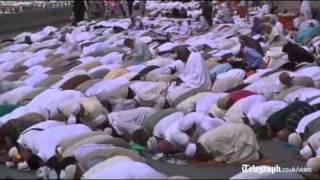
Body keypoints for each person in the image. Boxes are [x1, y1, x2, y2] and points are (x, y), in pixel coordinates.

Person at [185, 123, 260, 163]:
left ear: (199, 151)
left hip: (241, 132)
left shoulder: (211, 142)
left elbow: (229, 151)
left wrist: (217, 160)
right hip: (236, 129)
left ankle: (257, 156)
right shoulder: (201, 140)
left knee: (234, 161)